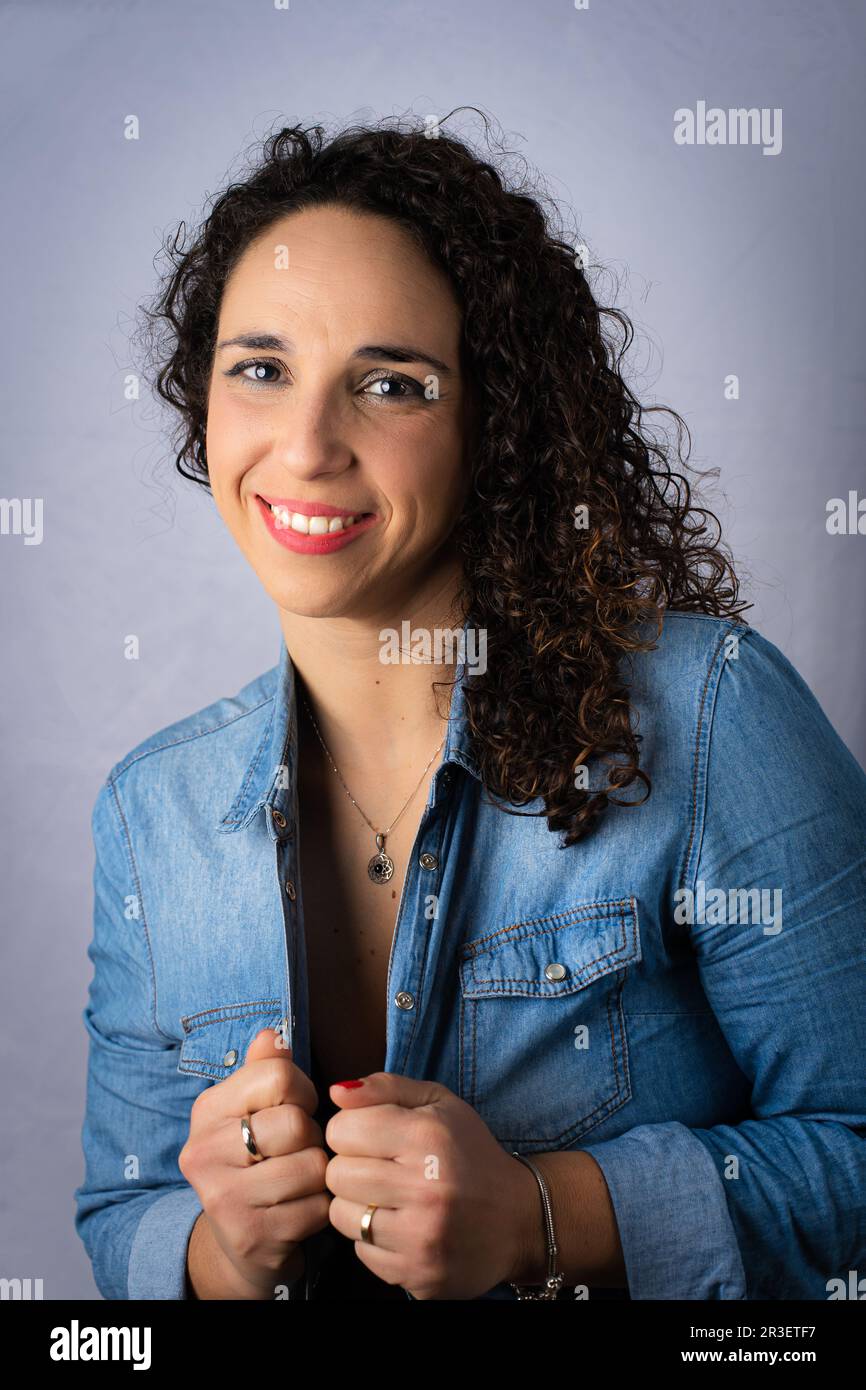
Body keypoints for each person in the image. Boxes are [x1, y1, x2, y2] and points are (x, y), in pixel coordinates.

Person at [74, 112, 866, 1301]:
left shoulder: (707, 711)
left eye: (388, 384)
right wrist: (219, 1248)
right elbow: (121, 1213)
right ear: (204, 400)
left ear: (490, 423)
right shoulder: (151, 811)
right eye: (261, 368)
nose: (305, 445)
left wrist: (546, 1214)